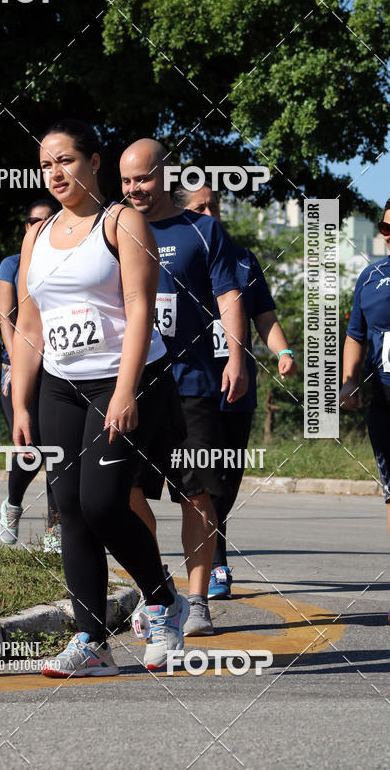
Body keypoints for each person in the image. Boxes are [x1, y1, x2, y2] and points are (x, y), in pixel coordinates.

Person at [12, 119, 189, 676]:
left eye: (65, 160)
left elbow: (140, 309)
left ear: (93, 161)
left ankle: (163, 600)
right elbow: (29, 326)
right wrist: (21, 403)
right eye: (46, 165)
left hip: (124, 378)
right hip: (60, 385)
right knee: (69, 509)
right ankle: (91, 641)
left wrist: (126, 389)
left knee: (103, 503)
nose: (55, 173)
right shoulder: (37, 236)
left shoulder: (122, 222)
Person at [120, 140, 248, 636]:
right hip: (134, 383)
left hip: (192, 384)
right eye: (126, 181)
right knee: (125, 493)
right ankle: (158, 590)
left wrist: (236, 355)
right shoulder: (116, 226)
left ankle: (196, 602)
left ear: (167, 176)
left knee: (195, 495)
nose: (134, 189)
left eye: (143, 179)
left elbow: (229, 294)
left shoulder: (203, 229)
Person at [173, 183, 297, 598]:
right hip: (193, 386)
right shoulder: (173, 255)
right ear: (184, 213)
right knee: (202, 479)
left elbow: (264, 316)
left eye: (214, 205)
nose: (210, 213)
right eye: (200, 207)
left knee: (227, 478)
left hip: (237, 387)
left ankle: (213, 554)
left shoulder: (243, 259)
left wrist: (283, 351)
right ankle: (216, 563)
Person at [340, 189, 390, 625]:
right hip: (389, 404)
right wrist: (348, 380)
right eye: (387, 228)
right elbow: (356, 334)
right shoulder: (371, 277)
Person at [0, 198, 61, 550]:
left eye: (48, 220)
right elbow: (6, 318)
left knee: (59, 448)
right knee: (31, 447)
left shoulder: (67, 260)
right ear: (26, 227)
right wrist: (18, 360)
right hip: (18, 366)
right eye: (34, 221)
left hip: (58, 366)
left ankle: (55, 529)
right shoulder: (12, 264)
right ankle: (13, 504)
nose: (40, 227)